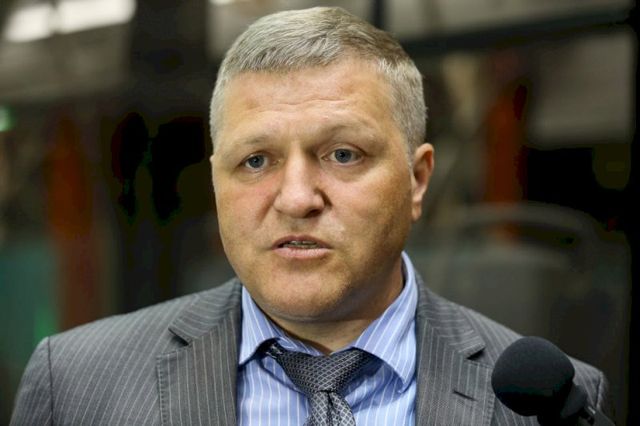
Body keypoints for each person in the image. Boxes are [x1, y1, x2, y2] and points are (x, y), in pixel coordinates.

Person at [11, 7, 610, 426]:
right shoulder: (77, 386)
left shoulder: (554, 404)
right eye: (255, 161)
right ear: (216, 181)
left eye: (343, 154)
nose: (297, 198)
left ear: (417, 179)